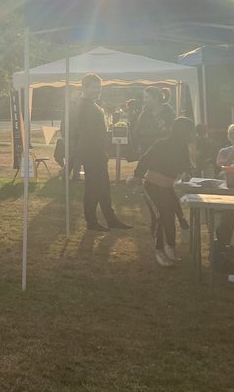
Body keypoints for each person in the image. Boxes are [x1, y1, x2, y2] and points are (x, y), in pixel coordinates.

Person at [128, 117, 195, 267]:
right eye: (191, 131)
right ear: (183, 132)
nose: (193, 135)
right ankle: (159, 251)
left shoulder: (183, 148)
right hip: (152, 187)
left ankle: (170, 247)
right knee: (158, 217)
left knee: (169, 217)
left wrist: (187, 173)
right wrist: (137, 177)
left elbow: (186, 166)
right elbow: (145, 159)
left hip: (167, 188)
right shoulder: (162, 144)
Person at [71, 73, 132, 233]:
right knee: (93, 187)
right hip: (91, 152)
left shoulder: (93, 104)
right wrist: (97, 149)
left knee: (103, 187)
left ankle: (111, 219)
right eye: (93, 87)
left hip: (97, 152)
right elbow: (86, 132)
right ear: (84, 88)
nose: (97, 90)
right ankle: (91, 221)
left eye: (98, 87)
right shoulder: (84, 106)